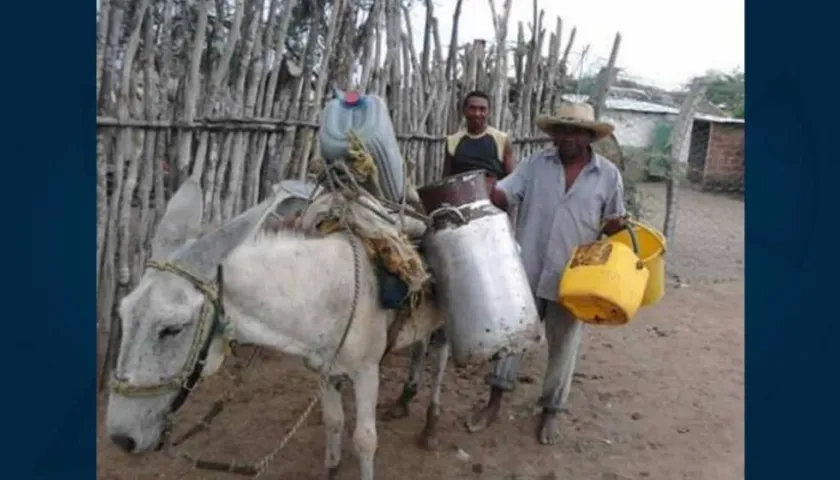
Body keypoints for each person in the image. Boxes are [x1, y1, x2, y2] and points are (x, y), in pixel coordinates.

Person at [466, 102, 628, 445]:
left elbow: (615, 225)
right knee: (513, 338)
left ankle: (550, 412)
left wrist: (614, 227)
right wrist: (488, 189)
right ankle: (494, 402)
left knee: (564, 345)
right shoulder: (536, 164)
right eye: (562, 130)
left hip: (575, 279)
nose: (567, 137)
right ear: (553, 133)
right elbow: (504, 196)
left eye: (575, 131)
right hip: (528, 267)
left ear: (588, 137)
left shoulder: (608, 175)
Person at [444, 90, 515, 190]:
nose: (477, 114)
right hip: (461, 198)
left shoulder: (502, 139)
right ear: (464, 111)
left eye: (482, 109)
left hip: (492, 200)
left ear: (488, 112)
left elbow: (511, 180)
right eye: (472, 108)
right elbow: (447, 180)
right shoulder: (452, 141)